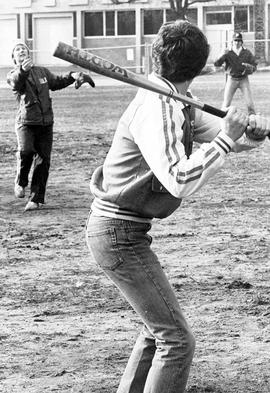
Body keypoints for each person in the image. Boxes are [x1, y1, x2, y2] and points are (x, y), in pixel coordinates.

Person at [85, 21, 269, 393]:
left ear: (157, 58)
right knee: (177, 340)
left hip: (124, 232)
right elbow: (179, 180)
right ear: (200, 67)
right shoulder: (158, 106)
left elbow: (220, 136)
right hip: (116, 234)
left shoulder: (173, 101)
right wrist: (229, 141)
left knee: (159, 333)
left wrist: (249, 134)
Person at [7, 41, 95, 211]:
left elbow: (56, 82)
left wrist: (73, 76)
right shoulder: (13, 74)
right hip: (26, 123)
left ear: (29, 54)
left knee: (43, 160)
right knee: (26, 151)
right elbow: (17, 83)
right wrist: (23, 71)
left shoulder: (41, 71)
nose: (21, 51)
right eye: (17, 50)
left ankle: (36, 199)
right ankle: (20, 182)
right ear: (14, 58)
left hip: (46, 123)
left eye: (24, 49)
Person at [214, 32, 257, 114]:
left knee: (250, 104)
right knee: (226, 104)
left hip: (243, 79)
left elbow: (254, 65)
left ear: (242, 42)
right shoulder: (227, 52)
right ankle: (221, 121)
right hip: (231, 79)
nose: (237, 43)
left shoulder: (246, 52)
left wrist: (250, 68)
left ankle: (253, 121)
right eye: (235, 40)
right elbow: (217, 64)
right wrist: (222, 55)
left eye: (239, 41)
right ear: (232, 42)